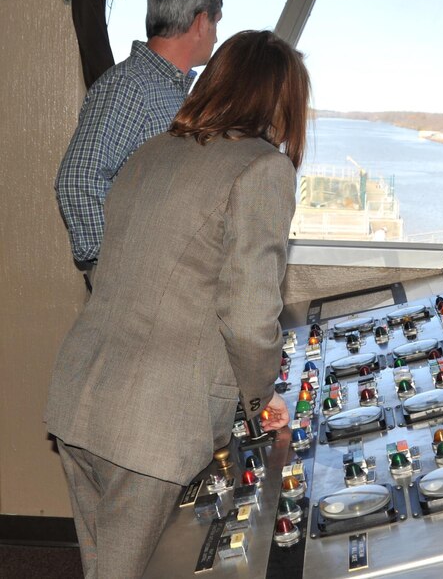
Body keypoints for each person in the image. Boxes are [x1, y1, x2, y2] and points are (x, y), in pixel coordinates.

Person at [44, 30, 308, 579]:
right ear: (283, 101)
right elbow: (248, 317)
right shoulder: (263, 169)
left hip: (80, 394)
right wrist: (263, 397)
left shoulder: (154, 150)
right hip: (150, 424)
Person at [55, 0, 222, 285]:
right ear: (201, 22)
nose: (216, 35)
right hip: (138, 281)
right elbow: (77, 178)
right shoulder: (130, 85)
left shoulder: (168, 91)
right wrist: (116, 262)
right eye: (216, 23)